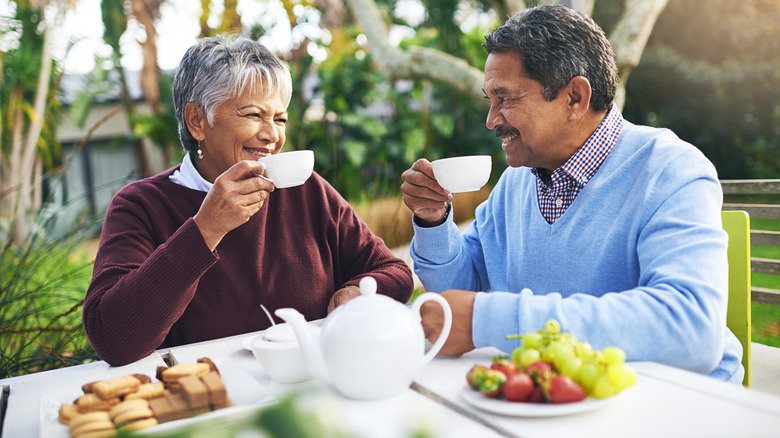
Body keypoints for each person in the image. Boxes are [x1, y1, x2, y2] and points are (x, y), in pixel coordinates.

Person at [400, 5, 743, 383]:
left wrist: (490, 321)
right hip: (556, 395)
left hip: (677, 403)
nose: (492, 120)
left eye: (506, 99)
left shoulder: (669, 169)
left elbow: (691, 329)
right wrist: (432, 220)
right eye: (490, 101)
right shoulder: (515, 184)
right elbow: (459, 297)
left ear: (575, 98)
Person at [84, 34, 413, 367]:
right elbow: (112, 339)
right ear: (198, 121)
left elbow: (393, 272)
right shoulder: (141, 206)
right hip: (212, 404)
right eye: (254, 115)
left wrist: (357, 293)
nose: (273, 134)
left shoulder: (304, 188)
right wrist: (206, 229)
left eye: (280, 118)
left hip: (313, 391)